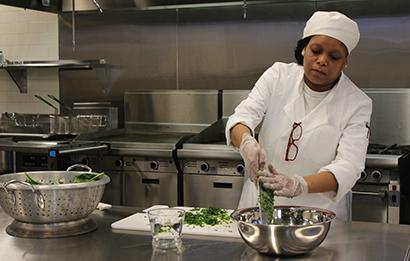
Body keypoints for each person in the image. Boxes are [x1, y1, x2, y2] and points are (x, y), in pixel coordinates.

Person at [225, 11, 372, 221]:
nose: (322, 61)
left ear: (345, 62)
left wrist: (298, 184)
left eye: (334, 57)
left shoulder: (357, 103)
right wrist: (247, 141)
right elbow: (242, 117)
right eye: (316, 50)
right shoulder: (277, 76)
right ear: (304, 49)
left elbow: (348, 167)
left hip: (318, 214)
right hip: (261, 205)